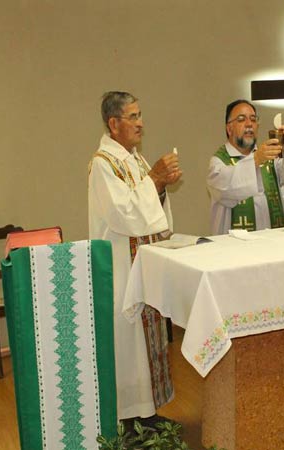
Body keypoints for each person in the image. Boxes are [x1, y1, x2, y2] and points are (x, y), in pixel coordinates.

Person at [88, 91, 182, 422]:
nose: (141, 123)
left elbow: (152, 212)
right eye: (133, 117)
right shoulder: (103, 164)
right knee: (129, 346)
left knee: (148, 343)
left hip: (142, 266)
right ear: (114, 124)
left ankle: (149, 413)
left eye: (140, 115)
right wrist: (154, 179)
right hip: (120, 269)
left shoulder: (136, 159)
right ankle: (129, 419)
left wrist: (160, 185)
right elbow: (123, 215)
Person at [207, 99, 284, 235]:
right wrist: (256, 159)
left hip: (271, 242)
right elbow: (225, 189)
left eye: (253, 119)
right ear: (229, 129)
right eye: (241, 119)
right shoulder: (218, 162)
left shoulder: (268, 157)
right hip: (235, 244)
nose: (249, 124)